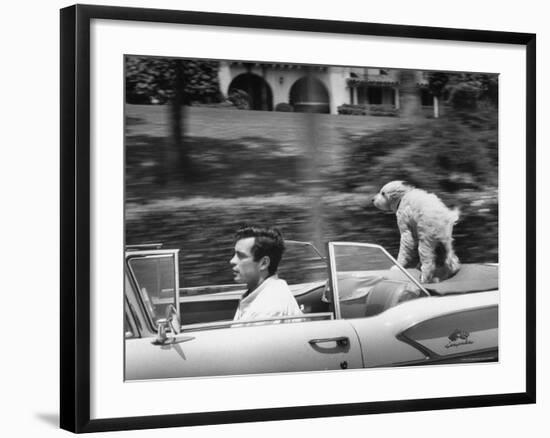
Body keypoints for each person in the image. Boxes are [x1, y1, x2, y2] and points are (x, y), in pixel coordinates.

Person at [230, 226, 303, 322]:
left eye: (241, 256)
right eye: (234, 255)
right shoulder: (261, 294)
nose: (232, 261)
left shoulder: (268, 308)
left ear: (263, 263)